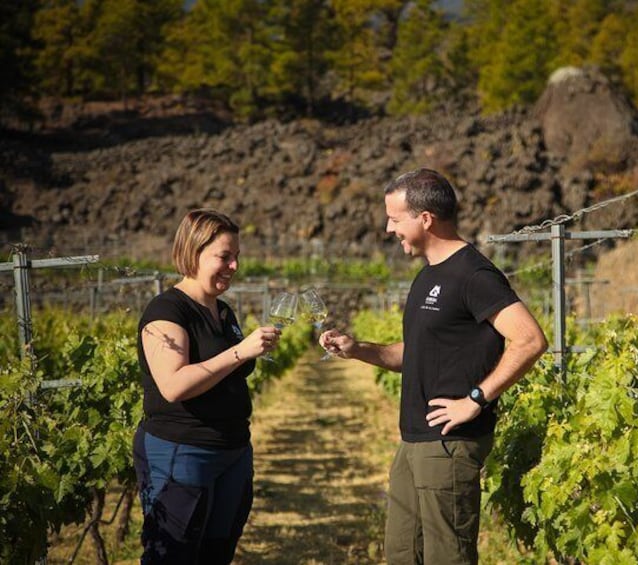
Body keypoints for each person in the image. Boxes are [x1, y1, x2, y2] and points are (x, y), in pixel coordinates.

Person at [320, 168, 547, 564]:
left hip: (449, 444)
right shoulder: (428, 276)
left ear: (425, 218)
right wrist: (358, 349)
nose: (389, 229)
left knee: (447, 556)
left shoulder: (474, 275)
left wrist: (475, 399)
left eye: (394, 219)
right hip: (414, 440)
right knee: (403, 553)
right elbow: (416, 353)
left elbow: (530, 339)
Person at [132, 208, 280, 564]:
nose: (234, 267)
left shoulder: (223, 311)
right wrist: (239, 352)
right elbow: (173, 385)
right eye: (224, 257)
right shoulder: (166, 312)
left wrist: (246, 353)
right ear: (193, 253)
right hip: (183, 453)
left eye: (237, 257)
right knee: (174, 555)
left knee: (217, 553)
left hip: (232, 452)